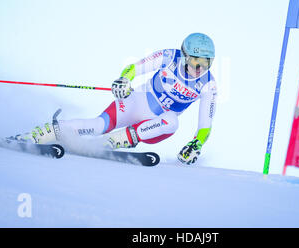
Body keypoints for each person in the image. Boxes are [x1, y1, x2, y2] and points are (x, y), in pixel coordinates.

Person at [14, 33, 217, 165]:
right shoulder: (169, 56)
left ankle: (109, 143)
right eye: (194, 61)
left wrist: (196, 144)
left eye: (205, 63)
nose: (198, 69)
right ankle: (38, 135)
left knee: (172, 122)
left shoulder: (208, 84)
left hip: (155, 123)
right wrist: (124, 81)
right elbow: (133, 68)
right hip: (137, 101)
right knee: (97, 125)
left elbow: (205, 124)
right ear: (183, 55)